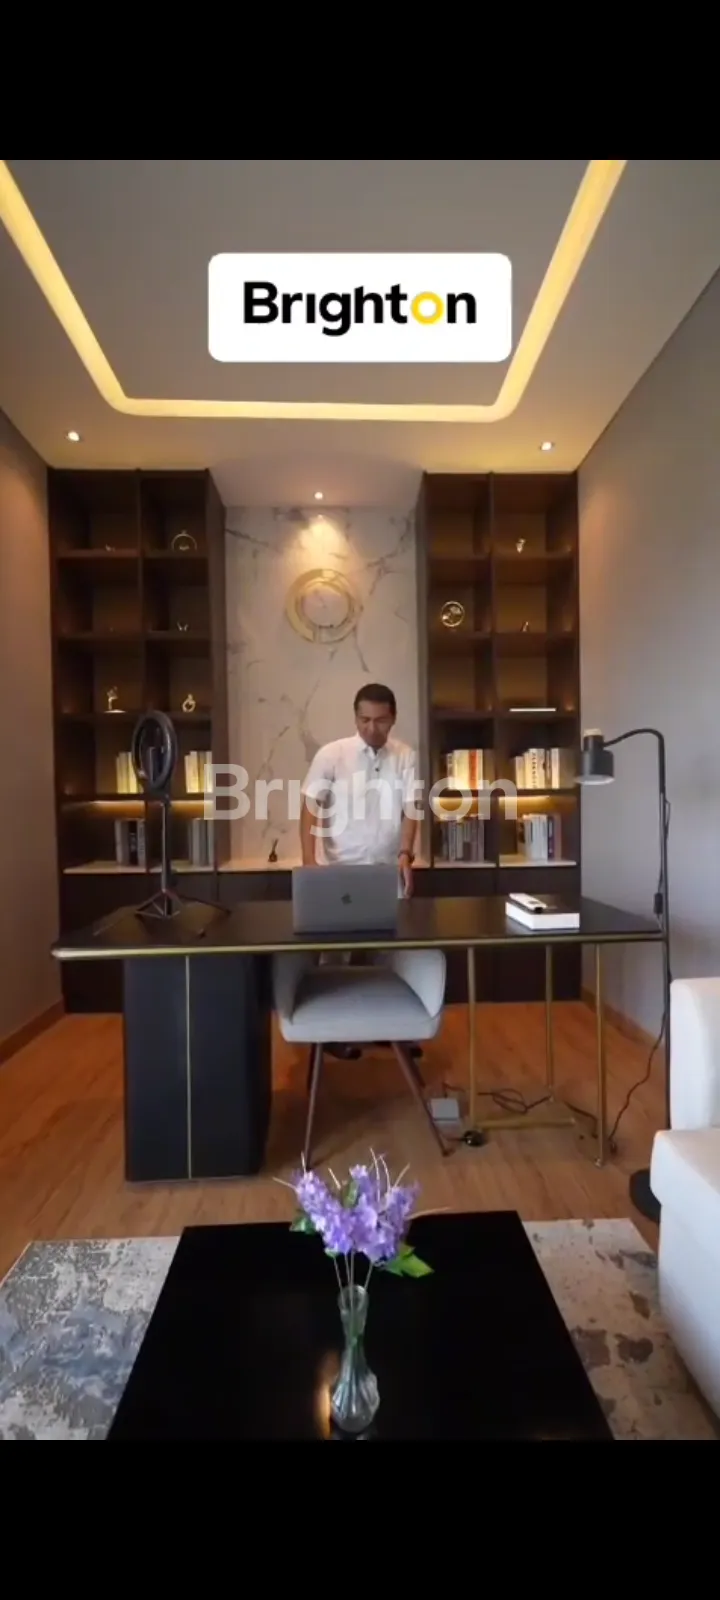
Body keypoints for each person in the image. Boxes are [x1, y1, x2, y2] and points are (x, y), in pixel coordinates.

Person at [299, 683, 420, 1061]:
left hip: (387, 869)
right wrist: (309, 862)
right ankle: (330, 1033)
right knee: (336, 956)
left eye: (380, 721)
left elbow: (412, 808)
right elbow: (310, 807)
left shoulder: (405, 756)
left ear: (393, 718)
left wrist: (406, 853)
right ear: (355, 717)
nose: (371, 728)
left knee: (388, 953)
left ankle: (386, 1028)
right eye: (364, 719)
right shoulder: (332, 754)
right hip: (341, 869)